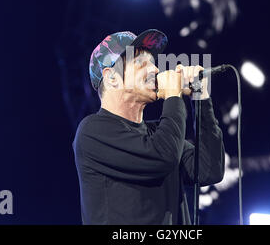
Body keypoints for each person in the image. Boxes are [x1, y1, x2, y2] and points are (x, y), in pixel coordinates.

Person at [73, 29, 225, 224]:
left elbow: (210, 169)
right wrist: (173, 94)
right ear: (112, 78)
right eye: (141, 63)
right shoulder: (92, 132)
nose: (155, 69)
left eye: (153, 63)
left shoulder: (158, 134)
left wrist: (200, 97)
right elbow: (163, 156)